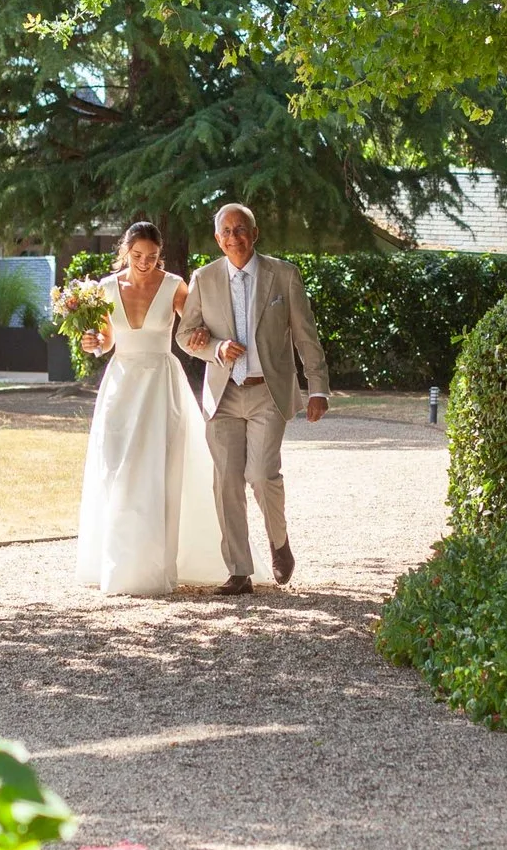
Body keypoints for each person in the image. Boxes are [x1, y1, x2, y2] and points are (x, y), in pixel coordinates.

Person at [175, 203, 330, 595]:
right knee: (226, 481)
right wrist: (213, 347)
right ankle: (240, 571)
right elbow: (185, 335)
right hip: (223, 395)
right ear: (217, 239)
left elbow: (305, 336)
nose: (233, 237)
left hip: (268, 392)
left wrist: (317, 388)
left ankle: (279, 543)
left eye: (240, 230)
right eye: (226, 231)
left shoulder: (284, 275)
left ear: (254, 233)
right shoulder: (203, 278)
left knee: (261, 476)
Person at [74, 222, 229, 595]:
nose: (145, 263)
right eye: (138, 256)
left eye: (153, 256)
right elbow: (106, 340)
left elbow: (197, 326)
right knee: (117, 468)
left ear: (162, 254)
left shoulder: (175, 285)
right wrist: (91, 341)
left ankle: (158, 567)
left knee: (160, 469)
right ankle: (120, 564)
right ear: (125, 251)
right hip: (122, 384)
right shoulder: (105, 289)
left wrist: (203, 335)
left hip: (161, 382)